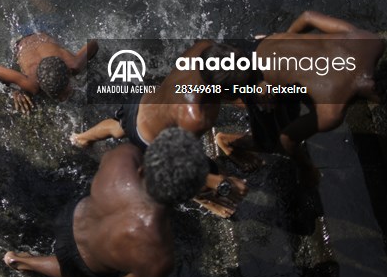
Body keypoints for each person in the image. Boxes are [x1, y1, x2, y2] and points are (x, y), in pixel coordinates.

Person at [214, 10, 387, 186]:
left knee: (284, 95)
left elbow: (307, 17)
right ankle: (228, 141)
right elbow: (287, 140)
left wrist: (285, 38)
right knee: (271, 140)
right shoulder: (331, 111)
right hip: (256, 82)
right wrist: (306, 169)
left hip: (256, 47)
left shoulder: (369, 42)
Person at [3, 128, 207, 277]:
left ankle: (27, 252)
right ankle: (23, 262)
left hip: (73, 215)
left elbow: (105, 159)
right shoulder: (158, 256)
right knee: (72, 271)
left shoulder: (125, 157)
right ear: (185, 195)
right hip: (84, 261)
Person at [71, 40, 253, 217]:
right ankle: (202, 197)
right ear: (220, 90)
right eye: (240, 90)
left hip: (142, 103)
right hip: (151, 140)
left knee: (118, 127)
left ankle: (82, 138)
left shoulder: (204, 47)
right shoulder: (197, 117)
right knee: (205, 173)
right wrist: (221, 183)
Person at [0, 0, 98, 112]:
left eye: (64, 91)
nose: (64, 98)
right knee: (50, 12)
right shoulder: (32, 85)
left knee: (53, 13)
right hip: (24, 36)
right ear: (40, 84)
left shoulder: (74, 64)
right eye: (59, 95)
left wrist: (16, 87)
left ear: (67, 71)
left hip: (29, 35)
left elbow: (94, 44)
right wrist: (16, 89)